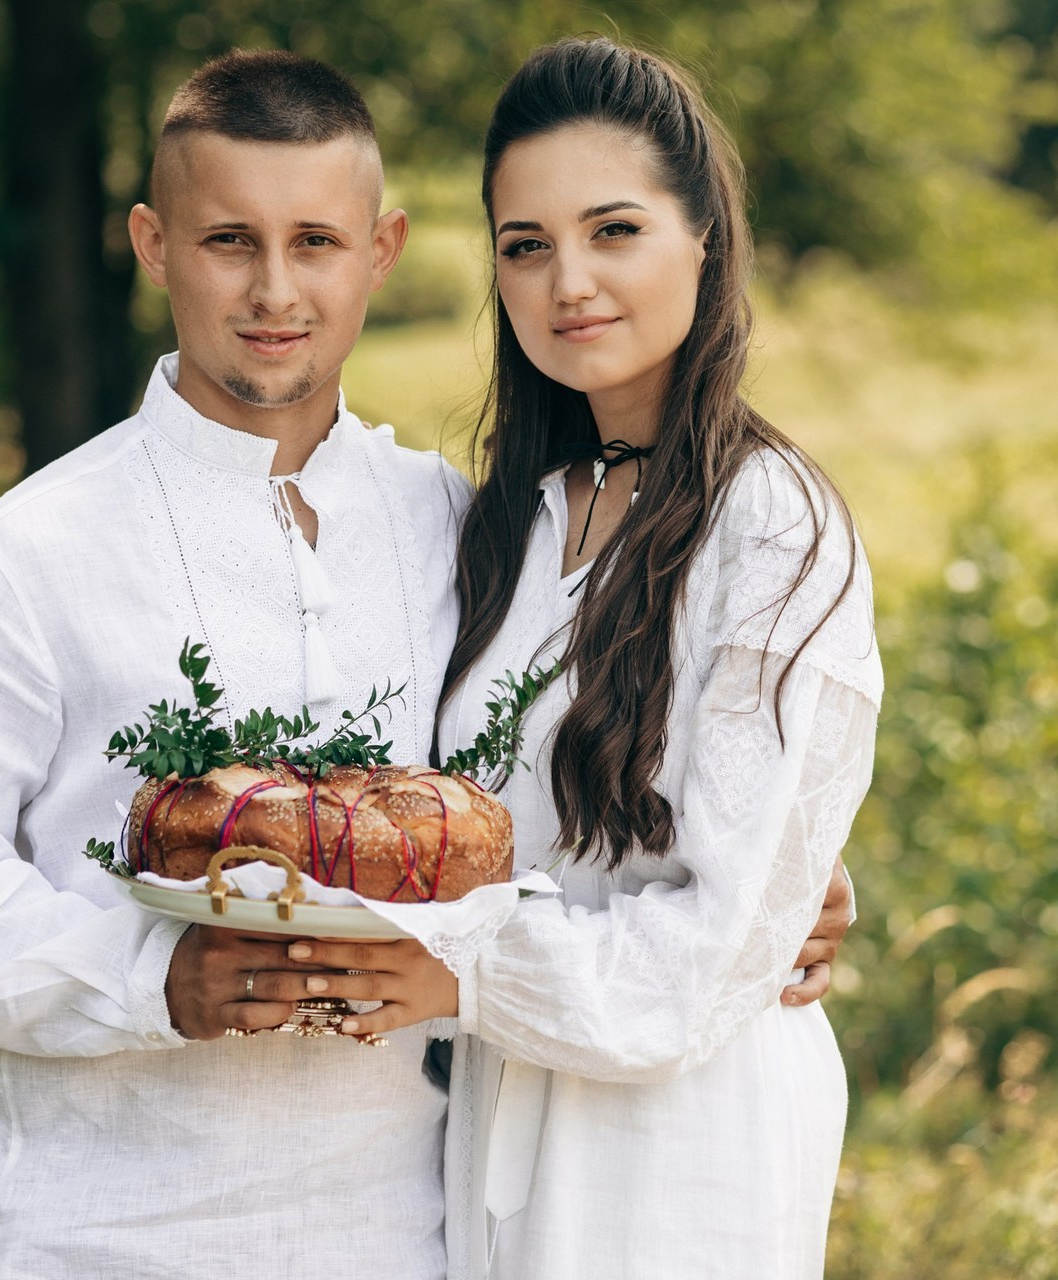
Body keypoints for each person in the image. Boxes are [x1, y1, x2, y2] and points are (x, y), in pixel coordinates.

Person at [0, 45, 852, 1280]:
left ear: (380, 252)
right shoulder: (23, 556)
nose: (275, 290)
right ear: (153, 244)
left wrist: (781, 874)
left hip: (421, 1233)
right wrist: (150, 974)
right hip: (111, 1237)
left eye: (316, 241)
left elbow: (537, 795)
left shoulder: (453, 523)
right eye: (228, 241)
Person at [288, 37, 882, 1280]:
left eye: (613, 230)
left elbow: (706, 953)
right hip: (498, 1113)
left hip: (676, 1143)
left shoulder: (768, 523)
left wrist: (445, 962)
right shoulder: (514, 517)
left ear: (702, 236)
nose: (567, 281)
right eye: (524, 244)